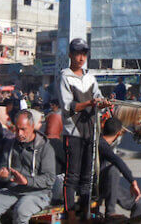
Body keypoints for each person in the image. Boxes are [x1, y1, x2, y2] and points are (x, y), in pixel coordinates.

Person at [58, 38, 108, 219]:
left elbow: (98, 98)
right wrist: (89, 103)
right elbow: (67, 106)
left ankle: (85, 214)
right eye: (78, 53)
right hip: (73, 133)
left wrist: (103, 103)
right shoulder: (65, 76)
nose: (81, 58)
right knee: (72, 177)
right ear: (70, 55)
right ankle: (70, 214)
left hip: (90, 132)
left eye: (84, 53)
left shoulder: (90, 77)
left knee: (88, 177)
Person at [0, 110, 56, 224]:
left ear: (32, 127)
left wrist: (27, 181)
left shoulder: (45, 148)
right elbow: (3, 166)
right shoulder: (10, 145)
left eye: (23, 129)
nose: (19, 133)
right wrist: (3, 175)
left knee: (21, 211)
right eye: (17, 129)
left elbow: (50, 179)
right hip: (14, 189)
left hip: (38, 192)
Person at [97, 117, 141, 219]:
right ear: (118, 134)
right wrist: (133, 182)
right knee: (114, 169)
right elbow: (117, 161)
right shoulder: (102, 145)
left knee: (137, 202)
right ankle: (110, 212)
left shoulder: (98, 141)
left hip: (102, 184)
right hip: (98, 187)